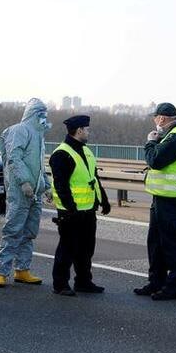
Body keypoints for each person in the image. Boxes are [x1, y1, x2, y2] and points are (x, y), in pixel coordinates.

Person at [134, 103, 176, 301]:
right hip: (162, 197)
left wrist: (150, 142)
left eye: (155, 117)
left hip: (171, 199)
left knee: (172, 244)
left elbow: (156, 161)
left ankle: (173, 288)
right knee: (156, 243)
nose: (155, 121)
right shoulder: (171, 135)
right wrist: (159, 140)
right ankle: (156, 282)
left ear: (161, 118)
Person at [0, 98, 53, 288]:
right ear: (33, 114)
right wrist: (24, 182)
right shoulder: (20, 131)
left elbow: (39, 166)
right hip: (20, 191)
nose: (44, 118)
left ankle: (22, 269)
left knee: (29, 232)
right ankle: (1, 272)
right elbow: (14, 158)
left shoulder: (39, 135)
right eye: (41, 114)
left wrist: (46, 186)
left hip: (35, 192)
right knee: (13, 230)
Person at [49, 115, 111, 296]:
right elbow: (60, 185)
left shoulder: (86, 151)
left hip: (88, 210)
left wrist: (103, 200)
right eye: (87, 129)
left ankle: (83, 282)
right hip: (71, 212)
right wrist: (70, 208)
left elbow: (94, 178)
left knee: (86, 249)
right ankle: (60, 284)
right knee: (67, 249)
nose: (88, 132)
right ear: (79, 130)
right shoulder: (62, 154)